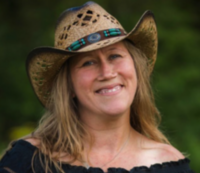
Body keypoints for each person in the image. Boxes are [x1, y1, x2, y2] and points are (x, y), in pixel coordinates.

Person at [0, 1, 194, 173]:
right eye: (88, 62)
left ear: (136, 68)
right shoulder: (28, 162)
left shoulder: (170, 165)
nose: (107, 72)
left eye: (115, 56)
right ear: (68, 86)